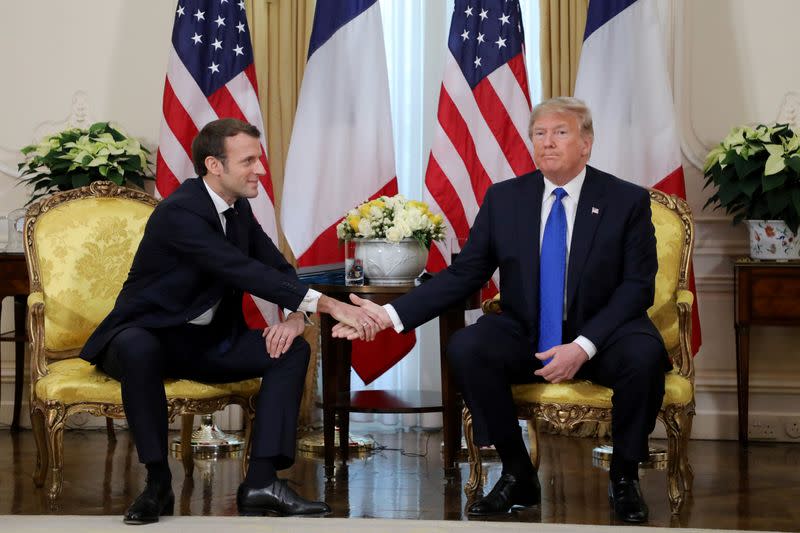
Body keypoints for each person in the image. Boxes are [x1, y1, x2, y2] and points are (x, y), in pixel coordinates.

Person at [334, 97, 670, 523]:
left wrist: (583, 347)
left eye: (561, 133)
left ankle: (624, 478)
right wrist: (388, 317)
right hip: (527, 331)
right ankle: (516, 472)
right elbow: (464, 275)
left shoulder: (625, 200)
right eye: (540, 134)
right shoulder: (505, 199)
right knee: (468, 347)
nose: (548, 143)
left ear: (586, 144)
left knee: (644, 355)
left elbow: (637, 288)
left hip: (604, 332)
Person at [81, 118, 380, 524]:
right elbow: (240, 269)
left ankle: (261, 482)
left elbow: (276, 268)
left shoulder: (238, 210)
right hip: (146, 335)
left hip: (207, 343)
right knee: (139, 347)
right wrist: (333, 306)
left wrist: (295, 318)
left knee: (292, 350)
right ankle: (156, 482)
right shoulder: (179, 212)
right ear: (214, 165)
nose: (260, 170)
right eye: (249, 161)